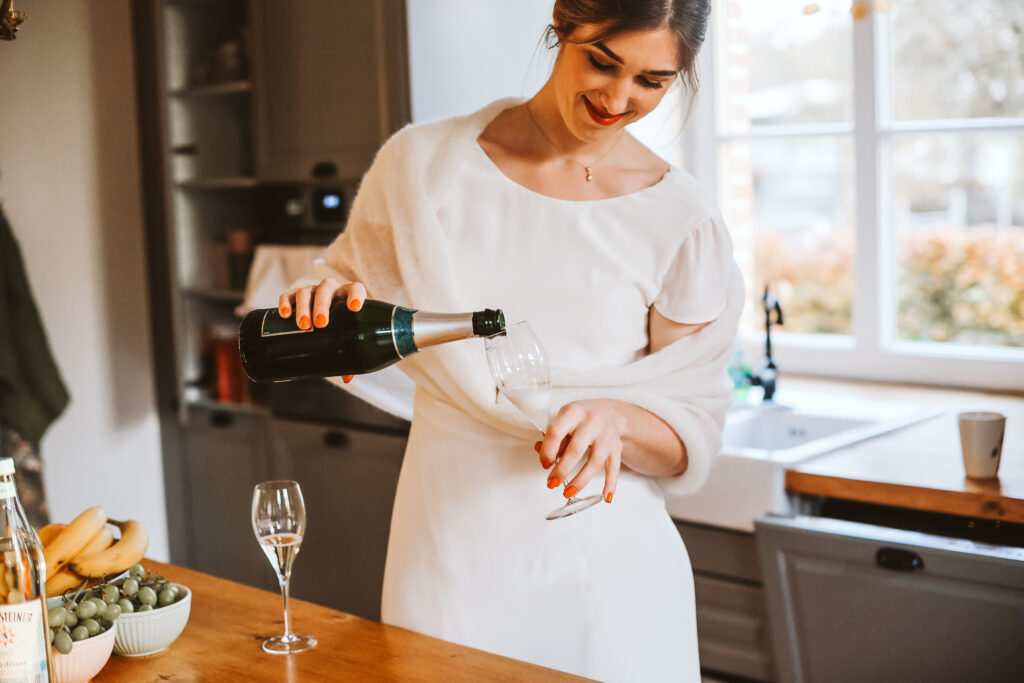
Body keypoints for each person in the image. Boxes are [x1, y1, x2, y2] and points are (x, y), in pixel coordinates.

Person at [278, 1, 742, 680]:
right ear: (562, 21)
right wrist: (314, 303)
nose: (618, 99)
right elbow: (345, 292)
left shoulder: (682, 219)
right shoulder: (421, 168)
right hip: (447, 551)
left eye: (653, 81)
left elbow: (691, 422)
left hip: (606, 568)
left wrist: (617, 419)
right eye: (602, 62)